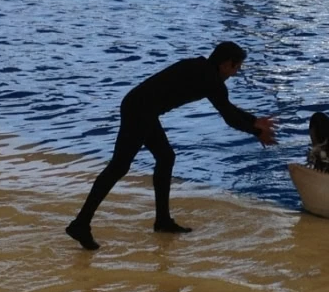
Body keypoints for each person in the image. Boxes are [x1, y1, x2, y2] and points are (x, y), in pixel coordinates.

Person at [66, 41, 277, 250]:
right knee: (119, 167)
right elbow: (229, 116)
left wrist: (253, 121)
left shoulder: (204, 70)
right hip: (139, 110)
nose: (235, 73)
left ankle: (162, 221)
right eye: (236, 67)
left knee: (166, 158)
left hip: (141, 107)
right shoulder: (210, 79)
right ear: (225, 64)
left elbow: (228, 107)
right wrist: (256, 131)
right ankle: (81, 224)